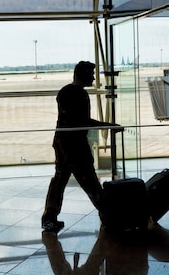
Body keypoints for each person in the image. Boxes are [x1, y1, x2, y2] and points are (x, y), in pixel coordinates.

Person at [41, 61, 122, 233]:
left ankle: (49, 218)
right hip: (74, 145)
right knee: (89, 180)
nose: (93, 77)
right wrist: (109, 125)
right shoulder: (79, 94)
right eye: (91, 74)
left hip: (62, 142)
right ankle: (108, 215)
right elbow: (83, 122)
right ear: (82, 75)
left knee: (60, 180)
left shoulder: (65, 92)